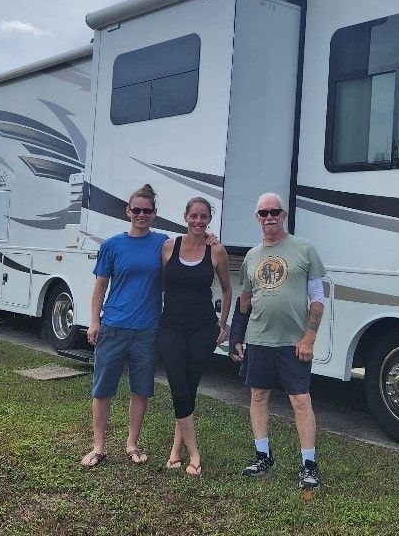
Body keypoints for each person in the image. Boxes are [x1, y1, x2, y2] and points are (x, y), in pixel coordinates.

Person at [231, 192, 326, 491]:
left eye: (275, 212)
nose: (269, 217)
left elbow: (318, 299)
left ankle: (308, 464)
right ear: (257, 218)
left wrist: (309, 337)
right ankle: (263, 456)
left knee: (300, 400)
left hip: (294, 341)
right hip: (259, 339)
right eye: (263, 213)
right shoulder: (251, 256)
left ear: (284, 215)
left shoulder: (304, 249)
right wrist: (237, 336)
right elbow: (245, 300)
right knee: (258, 396)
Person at [81, 184, 166, 468]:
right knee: (103, 388)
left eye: (147, 211)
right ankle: (98, 446)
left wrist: (211, 240)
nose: (141, 215)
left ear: (155, 214)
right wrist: (95, 322)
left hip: (147, 329)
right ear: (128, 211)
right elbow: (100, 286)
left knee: (141, 389)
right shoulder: (112, 245)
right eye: (136, 210)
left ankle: (132, 443)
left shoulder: (163, 244)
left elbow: (192, 247)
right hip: (114, 326)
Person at [157, 197, 232, 477]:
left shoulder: (216, 251)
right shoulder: (168, 247)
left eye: (204, 217)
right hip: (171, 327)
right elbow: (156, 284)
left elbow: (226, 290)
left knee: (189, 388)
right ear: (185, 216)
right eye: (194, 216)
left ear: (209, 219)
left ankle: (176, 450)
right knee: (178, 385)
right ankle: (194, 453)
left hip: (203, 328)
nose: (198, 221)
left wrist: (222, 324)